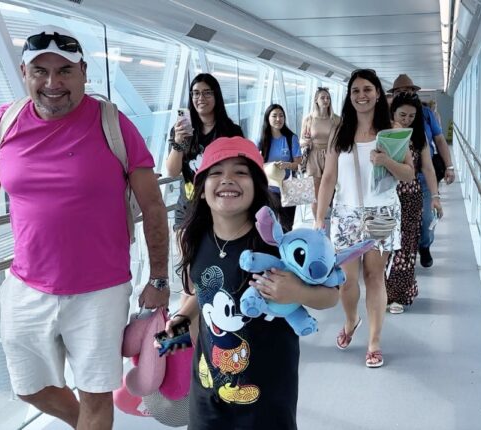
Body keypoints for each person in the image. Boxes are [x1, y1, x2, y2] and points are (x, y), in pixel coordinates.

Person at [0, 26, 170, 429]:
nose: (53, 83)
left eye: (64, 71)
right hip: (26, 285)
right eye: (41, 71)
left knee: (96, 393)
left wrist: (158, 276)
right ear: (24, 73)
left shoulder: (113, 124)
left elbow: (153, 206)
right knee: (27, 385)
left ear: (83, 72)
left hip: (100, 291)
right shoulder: (5, 123)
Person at [163, 136, 338, 428]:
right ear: (202, 190)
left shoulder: (276, 246)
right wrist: (183, 316)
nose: (227, 179)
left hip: (268, 395)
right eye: (216, 173)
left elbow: (332, 295)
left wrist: (297, 291)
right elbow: (205, 292)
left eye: (240, 172)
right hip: (208, 389)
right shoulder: (194, 240)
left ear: (257, 186)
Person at [315, 69, 415, 368]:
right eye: (356, 90)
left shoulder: (392, 129)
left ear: (377, 93)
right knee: (347, 281)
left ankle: (374, 341)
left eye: (367, 89)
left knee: (374, 277)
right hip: (346, 214)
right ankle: (351, 320)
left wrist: (385, 160)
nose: (362, 95)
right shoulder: (339, 130)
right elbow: (329, 176)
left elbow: (409, 173)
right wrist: (320, 217)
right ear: (349, 95)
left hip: (381, 212)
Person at [385, 92, 443, 314]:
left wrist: (435, 197)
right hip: (385, 196)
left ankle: (399, 295)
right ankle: (382, 292)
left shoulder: (418, 137)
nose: (407, 119)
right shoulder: (383, 133)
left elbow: (427, 167)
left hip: (410, 196)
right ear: (393, 112)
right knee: (385, 247)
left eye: (411, 116)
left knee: (407, 247)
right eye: (402, 115)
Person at [389, 74, 455, 268]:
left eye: (408, 91)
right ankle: (398, 267)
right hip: (394, 183)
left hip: (421, 179)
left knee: (425, 220)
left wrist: (448, 167)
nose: (407, 119)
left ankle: (424, 245)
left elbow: (440, 140)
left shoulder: (425, 115)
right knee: (399, 230)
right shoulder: (385, 123)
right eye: (400, 92)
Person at [165, 73, 244, 226]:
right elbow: (172, 172)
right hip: (188, 208)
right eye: (196, 93)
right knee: (187, 249)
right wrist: (178, 142)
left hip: (221, 208)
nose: (201, 98)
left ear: (216, 96)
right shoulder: (180, 131)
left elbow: (240, 169)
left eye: (207, 93)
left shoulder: (231, 131)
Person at [257, 104, 303, 231]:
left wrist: (286, 165)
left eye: (281, 116)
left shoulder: (290, 138)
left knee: (287, 226)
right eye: (274, 116)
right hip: (268, 189)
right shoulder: (262, 140)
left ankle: (285, 249)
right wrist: (269, 166)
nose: (278, 119)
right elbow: (255, 163)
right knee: (268, 225)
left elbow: (298, 164)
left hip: (287, 189)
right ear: (268, 118)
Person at [300, 87, 342, 220]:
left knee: (333, 191)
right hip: (313, 157)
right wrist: (305, 141)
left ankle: (332, 219)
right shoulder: (309, 119)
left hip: (332, 156)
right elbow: (301, 141)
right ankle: (318, 222)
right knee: (315, 195)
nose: (326, 100)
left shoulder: (336, 119)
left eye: (328, 98)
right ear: (316, 100)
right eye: (323, 97)